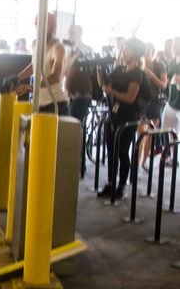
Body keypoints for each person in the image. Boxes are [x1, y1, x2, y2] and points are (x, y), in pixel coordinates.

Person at [96, 37, 145, 199]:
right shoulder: (120, 70)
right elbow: (104, 85)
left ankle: (122, 185)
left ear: (135, 53)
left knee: (123, 152)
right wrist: (98, 69)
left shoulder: (137, 74)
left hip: (128, 118)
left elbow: (131, 97)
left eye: (126, 50)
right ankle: (110, 183)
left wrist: (112, 92)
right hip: (114, 115)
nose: (123, 53)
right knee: (111, 150)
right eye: (123, 50)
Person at [16, 13, 68, 115]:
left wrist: (30, 87)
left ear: (52, 27)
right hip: (39, 103)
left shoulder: (58, 48)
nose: (38, 29)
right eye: (36, 25)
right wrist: (16, 78)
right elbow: (35, 65)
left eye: (41, 25)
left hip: (55, 103)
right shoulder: (37, 46)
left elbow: (55, 77)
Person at [137, 43, 168, 170]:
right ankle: (137, 162)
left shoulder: (159, 65)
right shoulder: (139, 65)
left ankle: (143, 161)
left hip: (155, 103)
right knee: (141, 134)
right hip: (142, 104)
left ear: (152, 52)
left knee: (150, 134)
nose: (145, 55)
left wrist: (152, 76)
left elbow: (163, 85)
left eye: (147, 52)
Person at [64, 25, 95, 123]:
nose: (69, 36)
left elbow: (91, 69)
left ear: (80, 34)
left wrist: (79, 50)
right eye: (69, 33)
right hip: (70, 95)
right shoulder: (69, 52)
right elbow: (65, 70)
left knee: (77, 124)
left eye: (72, 33)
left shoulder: (87, 49)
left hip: (82, 95)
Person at [162, 37, 180, 165]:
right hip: (171, 103)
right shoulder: (172, 62)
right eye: (173, 45)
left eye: (176, 45)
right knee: (167, 131)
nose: (174, 47)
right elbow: (167, 81)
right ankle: (172, 158)